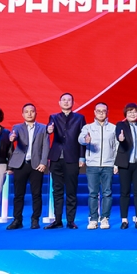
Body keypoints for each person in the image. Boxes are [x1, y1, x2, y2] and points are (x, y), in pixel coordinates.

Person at [46, 93, 86, 229]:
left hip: (72, 158)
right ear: (59, 102)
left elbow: (82, 139)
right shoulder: (53, 117)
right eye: (63, 100)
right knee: (56, 191)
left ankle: (70, 220)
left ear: (73, 103)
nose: (66, 102)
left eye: (69, 100)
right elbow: (49, 129)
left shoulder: (79, 118)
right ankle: (57, 220)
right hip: (56, 158)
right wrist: (49, 130)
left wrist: (82, 157)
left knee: (71, 191)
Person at [6, 104, 50, 230]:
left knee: (36, 194)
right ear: (22, 114)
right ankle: (17, 220)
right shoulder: (17, 127)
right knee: (18, 194)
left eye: (32, 111)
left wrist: (43, 163)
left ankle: (35, 220)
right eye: (26, 112)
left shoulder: (43, 128)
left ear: (36, 113)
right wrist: (12, 138)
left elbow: (46, 146)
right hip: (20, 164)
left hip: (36, 165)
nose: (29, 114)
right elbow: (13, 136)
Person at [78, 102, 118, 230]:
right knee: (93, 194)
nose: (101, 113)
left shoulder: (113, 128)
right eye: (98, 111)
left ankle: (105, 218)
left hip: (108, 165)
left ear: (107, 112)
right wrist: (85, 140)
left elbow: (116, 147)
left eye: (104, 111)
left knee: (107, 193)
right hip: (92, 165)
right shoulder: (88, 127)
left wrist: (116, 163)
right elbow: (80, 139)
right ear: (94, 112)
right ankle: (93, 219)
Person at [115, 103, 137, 229]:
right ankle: (124, 220)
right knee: (124, 192)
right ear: (125, 114)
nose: (132, 114)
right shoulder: (121, 125)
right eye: (129, 112)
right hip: (125, 164)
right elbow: (119, 136)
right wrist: (120, 138)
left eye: (134, 112)